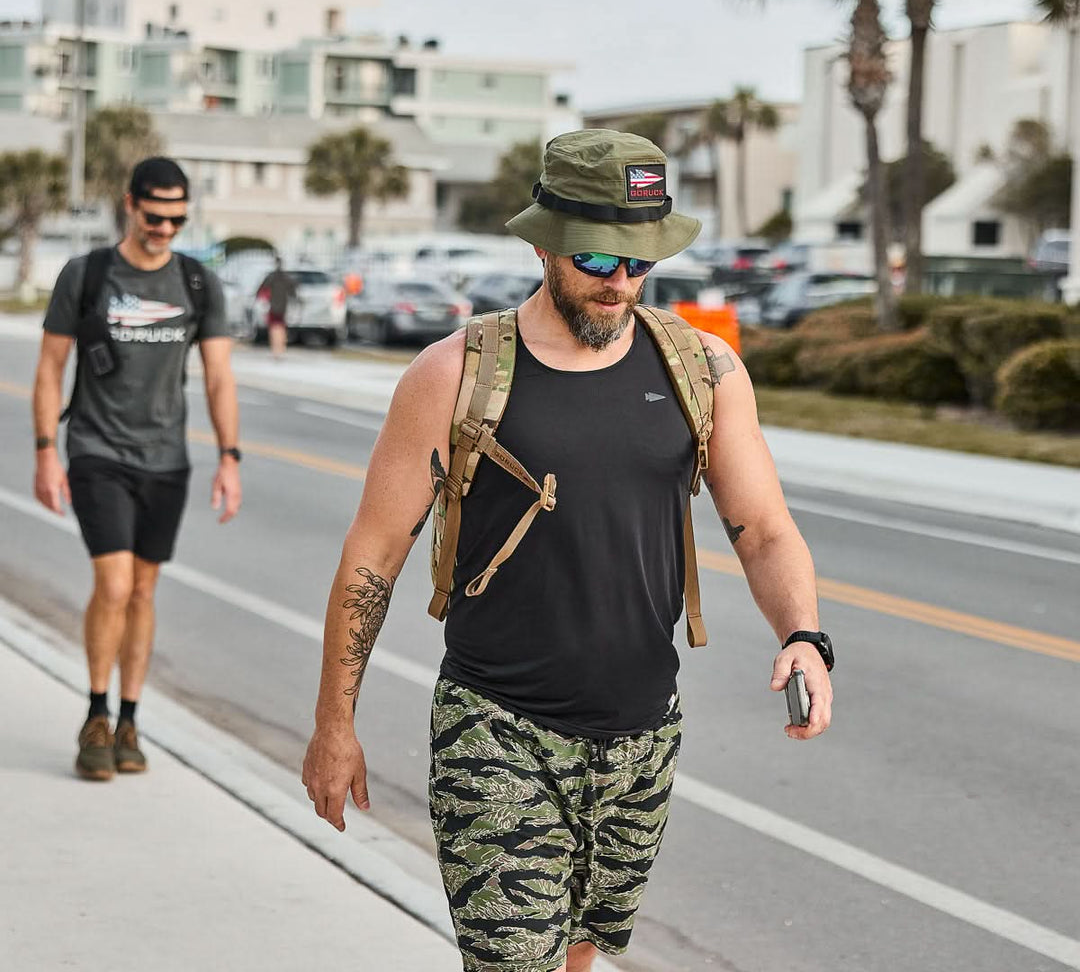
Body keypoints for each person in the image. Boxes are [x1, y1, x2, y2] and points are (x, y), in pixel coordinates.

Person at [301, 129, 833, 972]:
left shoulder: (703, 368)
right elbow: (372, 559)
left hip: (641, 736)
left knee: (581, 957)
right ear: (546, 241)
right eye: (596, 258)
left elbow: (763, 528)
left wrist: (803, 635)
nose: (619, 283)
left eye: (639, 263)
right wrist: (335, 725)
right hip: (498, 729)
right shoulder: (455, 374)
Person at [32, 156, 242, 782]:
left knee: (145, 590)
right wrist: (46, 448)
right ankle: (94, 715)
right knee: (116, 585)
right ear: (130, 205)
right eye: (156, 217)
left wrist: (229, 457)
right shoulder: (87, 274)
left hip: (166, 459)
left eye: (177, 219)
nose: (166, 229)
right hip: (97, 451)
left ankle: (129, 719)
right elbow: (49, 370)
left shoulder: (199, 284)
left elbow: (220, 377)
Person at [263, 254, 297, 358]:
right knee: (281, 327)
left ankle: (275, 349)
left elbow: (263, 288)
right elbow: (293, 292)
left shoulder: (271, 276)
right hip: (283, 306)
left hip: (273, 306)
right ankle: (281, 348)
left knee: (274, 328)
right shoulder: (287, 277)